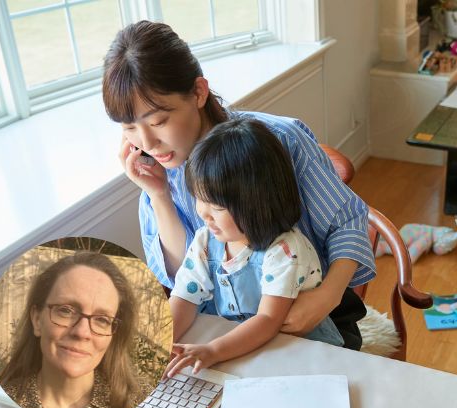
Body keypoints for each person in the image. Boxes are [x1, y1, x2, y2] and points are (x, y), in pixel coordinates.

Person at [102, 20, 375, 350]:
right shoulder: (156, 174)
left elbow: (348, 222)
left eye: (159, 121)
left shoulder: (279, 140)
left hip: (311, 317)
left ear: (199, 92)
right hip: (222, 326)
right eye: (129, 128)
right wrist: (158, 196)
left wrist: (325, 298)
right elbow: (183, 278)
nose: (148, 142)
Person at [164, 118, 345, 377]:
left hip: (299, 350)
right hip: (240, 348)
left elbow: (268, 321)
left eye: (216, 206)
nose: (203, 214)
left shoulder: (284, 249)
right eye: (199, 200)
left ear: (257, 203)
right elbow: (183, 297)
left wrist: (213, 351)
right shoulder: (206, 241)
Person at [0, 252, 145, 408]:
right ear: (37, 319)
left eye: (102, 319)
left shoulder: (144, 406)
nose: (82, 332)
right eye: (66, 310)